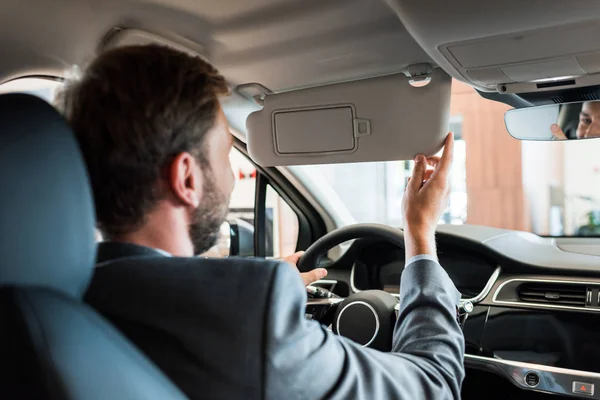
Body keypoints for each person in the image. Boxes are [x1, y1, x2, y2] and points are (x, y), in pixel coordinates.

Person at [60, 44, 464, 399]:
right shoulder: (247, 319)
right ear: (186, 178)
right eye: (224, 156)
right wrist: (419, 234)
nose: (234, 177)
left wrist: (265, 283)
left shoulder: (62, 296)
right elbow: (435, 385)